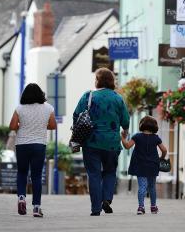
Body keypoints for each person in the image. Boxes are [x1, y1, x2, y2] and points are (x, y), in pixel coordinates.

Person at [72, 67, 130, 216]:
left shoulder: (88, 96)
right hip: (111, 142)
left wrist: (76, 134)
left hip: (91, 142)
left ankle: (95, 209)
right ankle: (107, 199)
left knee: (94, 174)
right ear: (111, 81)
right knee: (110, 172)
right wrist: (124, 131)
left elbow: (76, 115)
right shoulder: (118, 98)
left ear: (97, 81)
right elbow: (125, 121)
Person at [9, 83, 56, 217]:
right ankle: (36, 207)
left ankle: (21, 198)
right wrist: (40, 126)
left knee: (22, 172)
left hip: (22, 144)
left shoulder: (20, 108)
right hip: (39, 145)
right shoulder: (48, 108)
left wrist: (22, 126)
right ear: (41, 94)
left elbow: (12, 126)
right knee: (36, 175)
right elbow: (53, 125)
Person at [121, 116, 168, 215]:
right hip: (153, 165)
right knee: (152, 187)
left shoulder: (137, 136)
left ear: (142, 125)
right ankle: (153, 207)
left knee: (142, 186)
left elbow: (127, 146)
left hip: (140, 165)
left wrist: (123, 138)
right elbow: (164, 150)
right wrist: (162, 158)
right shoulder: (156, 138)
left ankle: (141, 207)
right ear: (154, 126)